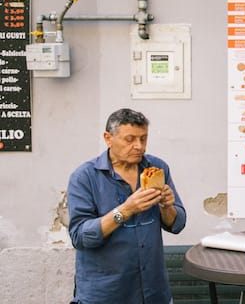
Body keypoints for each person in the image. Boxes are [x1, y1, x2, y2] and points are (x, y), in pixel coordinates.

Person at [67, 108, 187, 303]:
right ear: (108, 138)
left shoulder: (157, 168)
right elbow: (80, 236)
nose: (139, 146)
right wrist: (126, 210)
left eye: (143, 139)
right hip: (106, 293)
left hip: (154, 292)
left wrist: (167, 206)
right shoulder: (85, 177)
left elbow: (177, 224)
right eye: (129, 139)